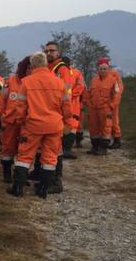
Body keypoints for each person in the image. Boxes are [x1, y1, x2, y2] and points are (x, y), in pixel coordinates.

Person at [9, 52, 71, 199]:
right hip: (54, 126)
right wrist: (66, 121)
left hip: (33, 125)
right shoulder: (58, 82)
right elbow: (67, 106)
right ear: (44, 63)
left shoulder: (27, 82)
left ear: (33, 65)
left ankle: (17, 188)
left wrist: (20, 120)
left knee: (24, 156)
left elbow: (21, 105)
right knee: (50, 158)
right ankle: (43, 189)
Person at [44, 41, 74, 193]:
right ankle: (50, 179)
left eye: (52, 51)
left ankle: (56, 182)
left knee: (56, 149)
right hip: (50, 113)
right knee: (52, 148)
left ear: (58, 52)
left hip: (59, 114)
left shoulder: (61, 69)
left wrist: (65, 116)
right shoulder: (48, 68)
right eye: (47, 51)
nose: (49, 53)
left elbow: (66, 94)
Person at [0, 56, 31, 183]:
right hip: (10, 121)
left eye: (32, 68)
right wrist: (2, 115)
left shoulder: (32, 82)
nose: (29, 70)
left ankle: (21, 176)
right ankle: (7, 173)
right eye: (27, 68)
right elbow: (2, 99)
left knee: (24, 150)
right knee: (8, 148)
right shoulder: (10, 81)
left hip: (26, 123)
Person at [85, 59, 121, 155]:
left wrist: (112, 105)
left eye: (105, 69)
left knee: (106, 127)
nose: (102, 70)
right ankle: (95, 146)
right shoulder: (94, 79)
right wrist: (88, 104)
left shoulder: (113, 80)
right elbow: (88, 92)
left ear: (108, 69)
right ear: (98, 69)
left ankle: (103, 148)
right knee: (93, 128)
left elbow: (117, 94)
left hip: (105, 108)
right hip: (93, 108)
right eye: (101, 68)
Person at [60, 56, 85, 159]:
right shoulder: (60, 72)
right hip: (63, 102)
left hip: (72, 103)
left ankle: (67, 149)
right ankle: (63, 148)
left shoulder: (76, 73)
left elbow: (80, 86)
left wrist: (70, 96)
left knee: (72, 125)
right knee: (64, 125)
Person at [98, 57, 124, 148]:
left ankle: (117, 140)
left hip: (111, 102)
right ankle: (108, 139)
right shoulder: (100, 74)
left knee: (114, 121)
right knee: (105, 123)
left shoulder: (114, 74)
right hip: (104, 103)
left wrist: (113, 103)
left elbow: (118, 89)